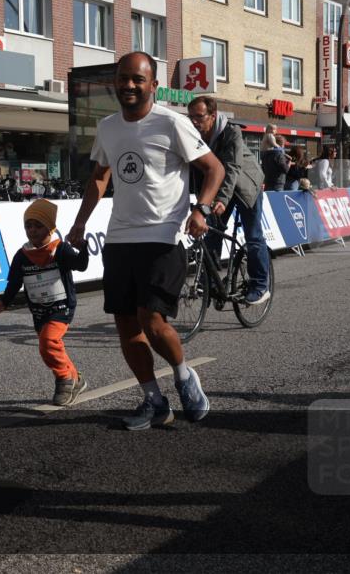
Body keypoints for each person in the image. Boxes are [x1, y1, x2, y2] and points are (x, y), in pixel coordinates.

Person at [66, 52, 225, 431]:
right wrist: (80, 223)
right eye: (123, 78)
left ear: (153, 85)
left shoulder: (172, 122)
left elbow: (214, 168)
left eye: (138, 79)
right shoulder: (107, 127)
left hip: (163, 236)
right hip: (120, 239)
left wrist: (201, 209)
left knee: (151, 320)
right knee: (126, 325)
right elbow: (100, 178)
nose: (129, 85)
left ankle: (184, 375)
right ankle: (154, 400)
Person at [0, 199, 90, 406]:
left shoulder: (60, 249)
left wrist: (84, 248)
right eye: (28, 226)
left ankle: (64, 379)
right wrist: (3, 301)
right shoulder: (22, 255)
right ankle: (76, 379)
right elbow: (15, 282)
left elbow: (80, 266)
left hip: (61, 307)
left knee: (48, 343)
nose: (32, 231)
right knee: (53, 346)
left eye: (38, 225)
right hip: (38, 310)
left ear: (50, 227)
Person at [187, 96, 270, 305]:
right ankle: (212, 282)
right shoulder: (195, 137)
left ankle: (260, 285)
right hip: (221, 188)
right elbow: (195, 172)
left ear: (212, 116)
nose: (194, 121)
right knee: (212, 233)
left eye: (199, 116)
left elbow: (232, 168)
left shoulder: (232, 132)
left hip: (245, 185)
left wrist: (222, 199)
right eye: (191, 117)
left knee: (253, 235)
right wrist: (199, 203)